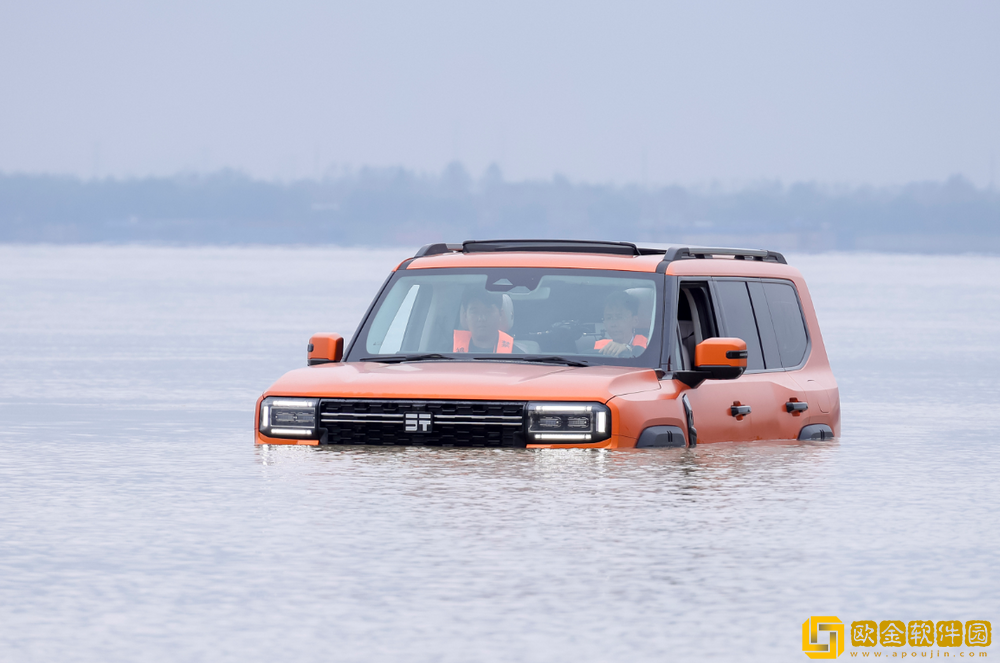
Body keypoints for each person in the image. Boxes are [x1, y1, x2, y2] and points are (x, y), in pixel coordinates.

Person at [453, 289, 514, 353]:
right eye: (475, 312)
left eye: (488, 311)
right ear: (465, 316)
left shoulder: (517, 356)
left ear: (501, 314)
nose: (481, 318)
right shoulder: (449, 355)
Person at [595, 291, 647, 357]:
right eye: (609, 318)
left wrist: (627, 349)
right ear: (604, 323)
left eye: (620, 317)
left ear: (635, 321)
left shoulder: (647, 345)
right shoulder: (598, 349)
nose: (613, 324)